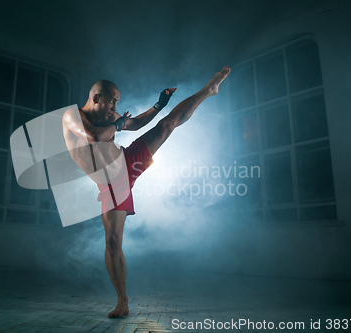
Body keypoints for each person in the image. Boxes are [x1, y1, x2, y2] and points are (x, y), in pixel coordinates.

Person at [62, 66, 231, 318]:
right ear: (96, 98)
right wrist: (117, 124)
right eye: (112, 102)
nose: (114, 107)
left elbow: (135, 123)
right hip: (111, 183)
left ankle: (208, 90)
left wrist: (158, 104)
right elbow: (95, 136)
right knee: (113, 240)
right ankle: (123, 301)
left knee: (166, 125)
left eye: (116, 103)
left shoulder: (112, 118)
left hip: (127, 162)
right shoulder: (71, 116)